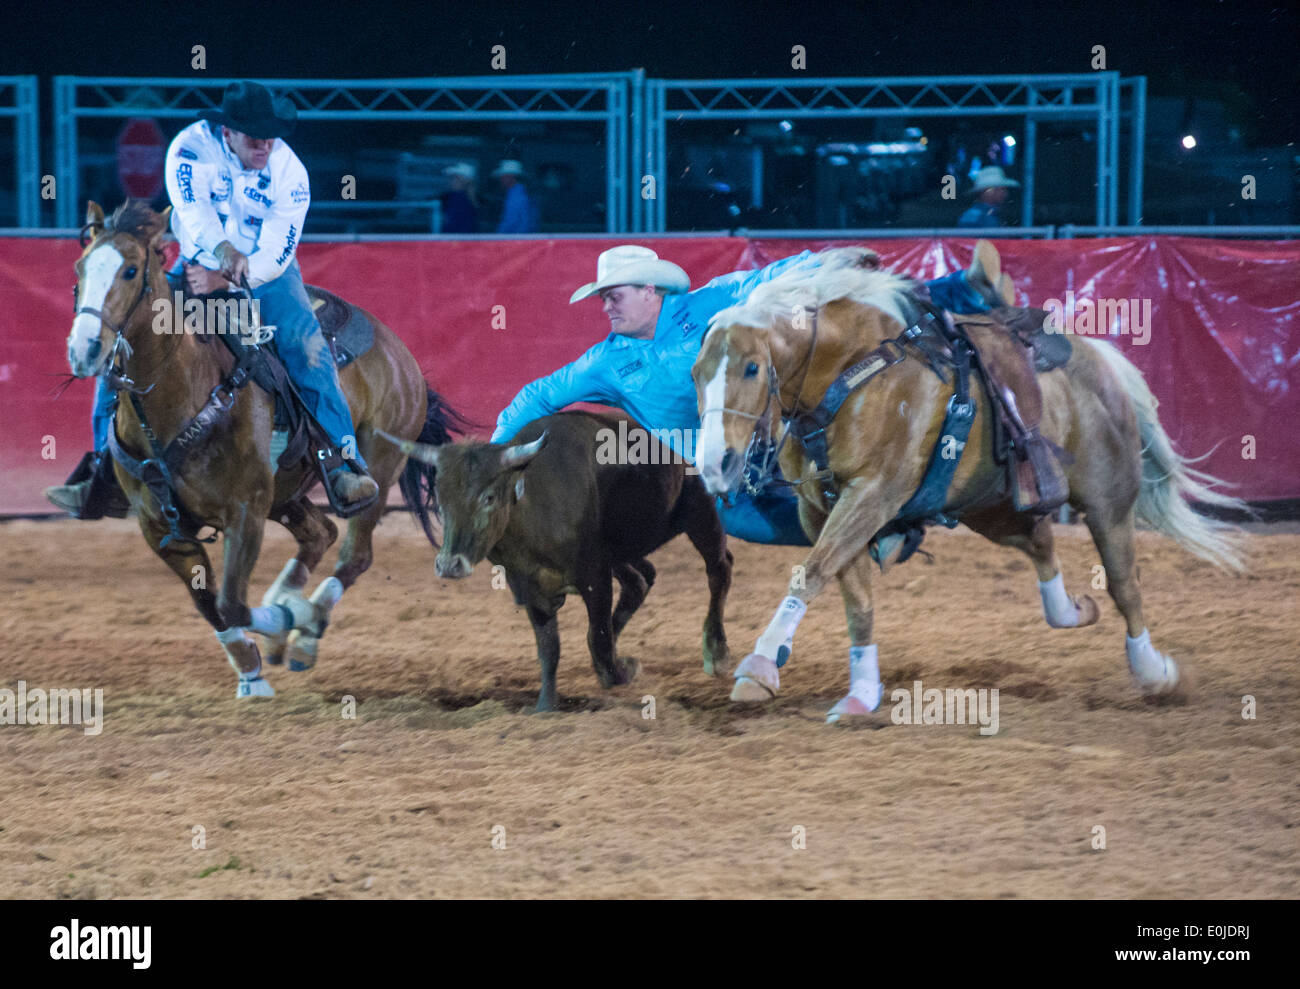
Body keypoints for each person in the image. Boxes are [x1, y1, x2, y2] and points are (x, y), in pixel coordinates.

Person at [491, 241, 1010, 546]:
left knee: (827, 306)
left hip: (780, 440)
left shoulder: (711, 303)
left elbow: (773, 276)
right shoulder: (604, 362)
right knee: (739, 520)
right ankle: (881, 531)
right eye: (604, 297)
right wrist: (496, 448)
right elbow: (539, 395)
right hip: (723, 474)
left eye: (615, 295)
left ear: (651, 292)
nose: (606, 306)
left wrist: (828, 260)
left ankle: (963, 290)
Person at [45, 80, 379, 517]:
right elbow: (193, 214)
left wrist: (231, 280)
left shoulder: (291, 173)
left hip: (268, 274)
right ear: (228, 133)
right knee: (124, 347)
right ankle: (101, 471)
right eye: (254, 138)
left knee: (305, 346)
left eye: (270, 138)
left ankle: (343, 463)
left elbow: (279, 250)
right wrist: (221, 258)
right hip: (197, 265)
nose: (264, 146)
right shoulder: (189, 150)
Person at [492, 159, 537, 233]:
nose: (500, 179)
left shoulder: (516, 195)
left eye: (503, 177)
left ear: (511, 177)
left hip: (515, 238)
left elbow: (510, 221)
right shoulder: (519, 192)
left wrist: (496, 237)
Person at [440, 162, 479, 234]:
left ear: (465, 180)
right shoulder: (452, 196)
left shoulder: (463, 199)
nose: (451, 181)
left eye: (455, 178)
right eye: (451, 178)